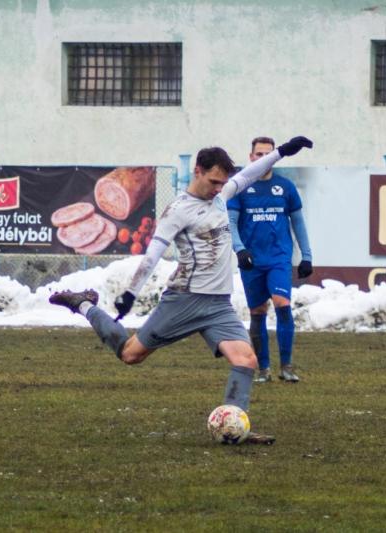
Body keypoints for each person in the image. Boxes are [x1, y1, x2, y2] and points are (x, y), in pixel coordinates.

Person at [49, 135, 313, 444]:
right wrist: (131, 292)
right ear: (197, 171)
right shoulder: (177, 210)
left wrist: (282, 151)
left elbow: (250, 173)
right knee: (131, 355)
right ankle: (84, 305)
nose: (218, 189)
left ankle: (235, 426)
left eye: (222, 183)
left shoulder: (222, 194)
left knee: (246, 361)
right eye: (213, 181)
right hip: (184, 300)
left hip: (219, 306)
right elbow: (153, 255)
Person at [227, 136, 313, 384]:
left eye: (267, 154)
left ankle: (286, 366)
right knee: (257, 311)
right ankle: (263, 369)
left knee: (282, 303)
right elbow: (231, 222)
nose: (262, 158)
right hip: (252, 260)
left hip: (278, 259)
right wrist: (240, 250)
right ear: (251, 157)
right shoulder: (240, 188)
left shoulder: (285, 187)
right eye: (258, 154)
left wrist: (306, 256)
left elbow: (298, 223)